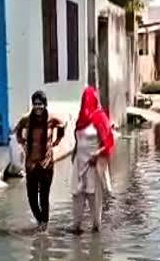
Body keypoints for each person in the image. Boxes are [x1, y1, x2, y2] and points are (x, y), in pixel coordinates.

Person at [14, 90, 66, 231]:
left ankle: (44, 226)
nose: (38, 107)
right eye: (36, 104)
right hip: (31, 165)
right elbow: (17, 130)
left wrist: (57, 141)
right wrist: (22, 142)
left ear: (45, 104)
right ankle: (39, 221)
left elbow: (63, 125)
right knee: (31, 198)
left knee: (44, 197)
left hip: (46, 165)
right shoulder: (27, 119)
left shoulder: (51, 118)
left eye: (41, 104)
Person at [70, 87, 115, 233]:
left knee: (94, 196)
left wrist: (96, 155)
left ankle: (96, 228)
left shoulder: (100, 117)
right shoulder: (80, 119)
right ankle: (76, 226)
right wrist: (74, 153)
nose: (85, 102)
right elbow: (78, 139)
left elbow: (109, 142)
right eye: (84, 99)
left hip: (93, 164)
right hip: (79, 162)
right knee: (77, 195)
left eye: (87, 99)